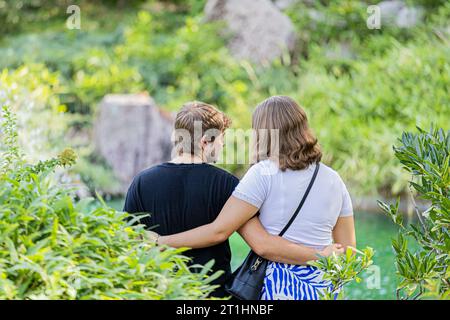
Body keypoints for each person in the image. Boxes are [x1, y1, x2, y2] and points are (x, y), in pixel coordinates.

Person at [124, 101, 343, 298]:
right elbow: (261, 243)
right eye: (221, 139)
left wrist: (157, 242)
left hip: (156, 290)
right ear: (204, 141)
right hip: (212, 293)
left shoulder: (141, 182)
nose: (223, 145)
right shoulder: (226, 184)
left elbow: (127, 244)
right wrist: (319, 254)